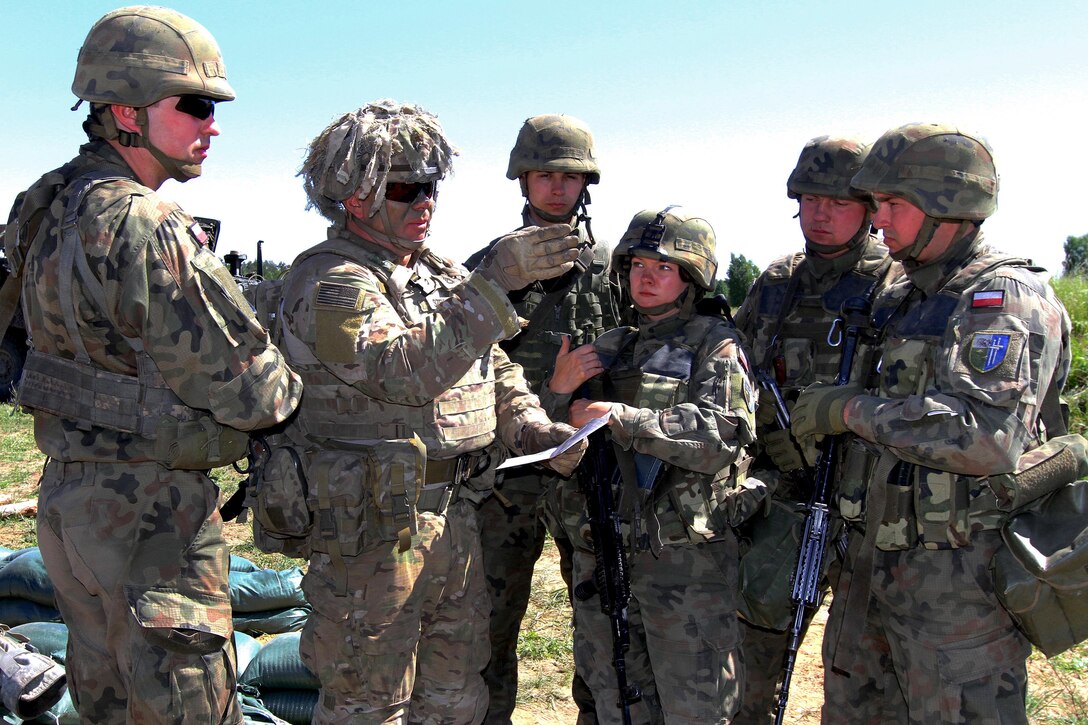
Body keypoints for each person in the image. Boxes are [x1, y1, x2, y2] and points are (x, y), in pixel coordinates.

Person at [2, 6, 302, 723]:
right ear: (125, 112)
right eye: (194, 104)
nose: (213, 124)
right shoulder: (148, 224)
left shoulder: (42, 207)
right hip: (154, 520)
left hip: (71, 508)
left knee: (105, 704)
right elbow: (259, 394)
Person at [281, 99, 587, 724]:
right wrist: (495, 283)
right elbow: (399, 373)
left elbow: (493, 366)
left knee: (455, 699)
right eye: (406, 188)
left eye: (432, 186)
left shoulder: (438, 272)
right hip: (372, 530)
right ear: (355, 195)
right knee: (369, 702)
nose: (426, 201)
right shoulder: (332, 279)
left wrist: (533, 427)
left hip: (455, 517)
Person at [789, 122, 1072, 724]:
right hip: (869, 567)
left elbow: (983, 437)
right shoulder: (901, 294)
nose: (878, 217)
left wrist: (847, 410)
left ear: (948, 207)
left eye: (892, 203)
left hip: (957, 588)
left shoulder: (1002, 297)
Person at [543, 207, 770, 724]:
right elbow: (547, 442)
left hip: (682, 562)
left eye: (663, 267)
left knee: (696, 705)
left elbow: (725, 433)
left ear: (691, 276)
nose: (646, 277)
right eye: (638, 264)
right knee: (615, 699)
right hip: (603, 552)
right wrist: (558, 394)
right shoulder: (612, 346)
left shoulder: (717, 345)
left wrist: (627, 419)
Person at [465, 113, 623, 724]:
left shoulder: (611, 265)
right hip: (510, 475)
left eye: (570, 176)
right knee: (489, 632)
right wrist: (549, 394)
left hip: (587, 469)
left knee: (601, 628)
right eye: (544, 175)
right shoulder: (492, 265)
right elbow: (466, 366)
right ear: (522, 180)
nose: (557, 188)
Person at [732, 135, 896, 723]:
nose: (821, 214)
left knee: (862, 676)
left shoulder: (897, 287)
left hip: (867, 511)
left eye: (838, 202)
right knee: (752, 664)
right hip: (786, 502)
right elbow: (737, 371)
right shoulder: (778, 282)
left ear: (872, 210)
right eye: (808, 199)